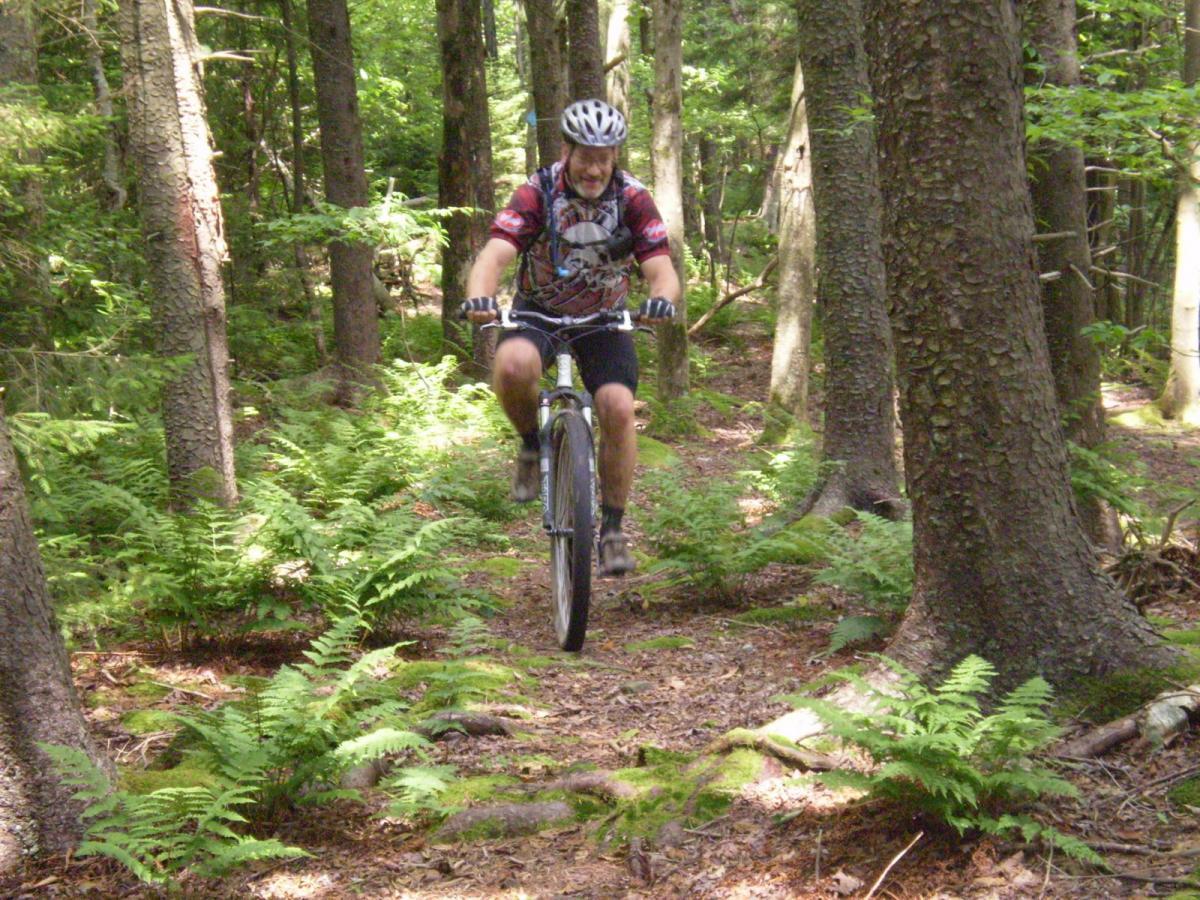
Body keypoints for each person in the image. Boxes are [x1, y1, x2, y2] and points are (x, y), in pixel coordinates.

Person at [463, 99, 680, 577]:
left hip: (604, 318)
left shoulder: (633, 197)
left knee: (618, 408)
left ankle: (613, 529)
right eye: (587, 156)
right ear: (567, 151)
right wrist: (480, 297)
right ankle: (529, 444)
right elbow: (496, 254)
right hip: (538, 311)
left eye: (606, 157)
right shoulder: (537, 191)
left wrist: (662, 298)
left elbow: (661, 269)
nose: (595, 168)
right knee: (514, 366)